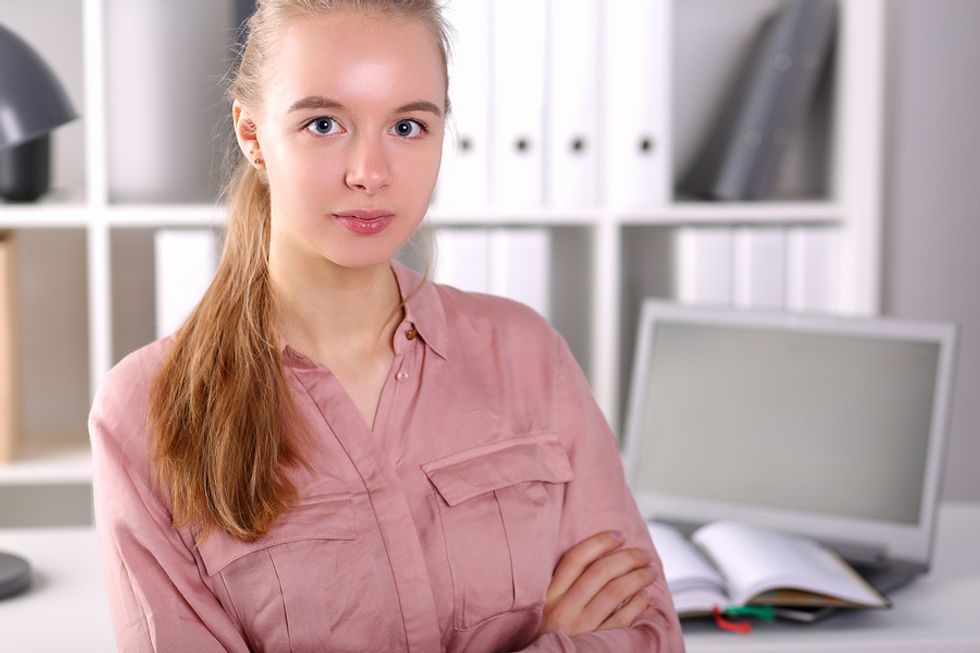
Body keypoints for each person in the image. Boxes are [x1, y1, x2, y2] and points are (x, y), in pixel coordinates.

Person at [88, 1, 683, 651]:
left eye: (407, 126)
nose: (369, 173)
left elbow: (647, 633)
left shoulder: (527, 353)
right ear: (252, 135)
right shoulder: (143, 410)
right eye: (323, 123)